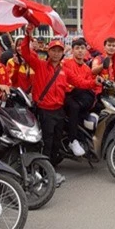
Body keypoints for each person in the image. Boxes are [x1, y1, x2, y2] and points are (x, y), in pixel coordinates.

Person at [21, 26, 68, 184]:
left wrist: (94, 82)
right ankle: (43, 174)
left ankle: (51, 171)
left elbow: (79, 82)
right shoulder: (40, 65)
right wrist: (28, 35)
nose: (56, 53)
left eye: (59, 50)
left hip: (59, 111)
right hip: (45, 111)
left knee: (56, 143)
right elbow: (25, 53)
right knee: (46, 143)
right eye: (53, 50)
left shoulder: (64, 70)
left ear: (62, 53)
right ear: (48, 51)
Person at [62, 38, 102, 156]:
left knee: (99, 105)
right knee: (74, 107)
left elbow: (89, 84)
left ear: (86, 50)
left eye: (82, 48)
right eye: (77, 48)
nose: (80, 51)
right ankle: (72, 140)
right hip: (67, 94)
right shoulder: (66, 63)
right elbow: (77, 82)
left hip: (80, 96)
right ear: (72, 50)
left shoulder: (86, 68)